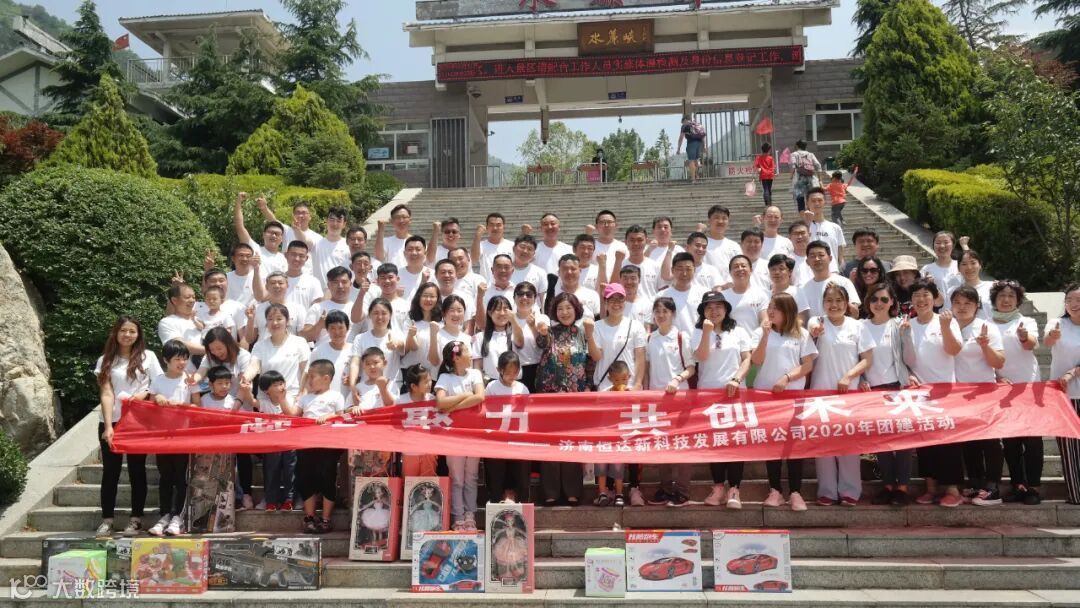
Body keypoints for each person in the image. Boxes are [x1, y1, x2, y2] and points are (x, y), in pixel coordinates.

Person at [808, 284, 874, 507]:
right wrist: (814, 331)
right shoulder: (817, 322)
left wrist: (849, 376)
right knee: (823, 443)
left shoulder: (858, 326)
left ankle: (850, 491)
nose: (834, 305)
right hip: (821, 393)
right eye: (829, 300)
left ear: (847, 304)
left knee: (848, 444)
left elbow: (867, 359)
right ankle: (826, 491)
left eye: (839, 300)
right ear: (823, 303)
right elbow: (811, 331)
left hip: (849, 393)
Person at [901, 279, 965, 508]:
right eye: (916, 295)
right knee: (925, 443)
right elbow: (907, 360)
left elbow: (954, 350)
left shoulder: (947, 320)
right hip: (920, 393)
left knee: (948, 443)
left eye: (926, 294)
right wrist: (906, 337)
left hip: (946, 391)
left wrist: (946, 328)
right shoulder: (907, 324)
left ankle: (952, 490)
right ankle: (930, 489)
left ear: (935, 298)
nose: (921, 299)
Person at [94, 316, 160, 536]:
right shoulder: (105, 360)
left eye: (132, 331)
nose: (127, 335)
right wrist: (108, 426)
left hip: (138, 421)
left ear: (138, 334)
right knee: (110, 472)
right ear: (116, 333)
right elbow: (106, 393)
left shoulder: (148, 356)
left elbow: (158, 384)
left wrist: (144, 393)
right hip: (112, 420)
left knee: (137, 470)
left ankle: (136, 519)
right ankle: (107, 520)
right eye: (123, 330)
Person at [753, 293, 816, 511]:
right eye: (770, 307)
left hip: (793, 396)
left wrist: (787, 378)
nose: (771, 311)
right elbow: (756, 361)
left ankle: (796, 492)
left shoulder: (801, 333)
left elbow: (807, 365)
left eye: (776, 308)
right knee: (772, 444)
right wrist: (764, 336)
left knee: (793, 444)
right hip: (767, 397)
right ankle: (775, 490)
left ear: (787, 311)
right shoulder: (761, 332)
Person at [693, 292, 753, 510]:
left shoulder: (738, 331)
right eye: (709, 307)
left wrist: (737, 379)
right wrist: (706, 333)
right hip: (708, 395)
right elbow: (700, 357)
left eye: (719, 306)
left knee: (735, 441)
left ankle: (734, 489)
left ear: (726, 309)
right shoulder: (698, 332)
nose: (714, 311)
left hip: (734, 393)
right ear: (703, 312)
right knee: (715, 441)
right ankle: (718, 486)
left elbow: (747, 359)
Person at [860, 283, 918, 505]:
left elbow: (910, 359)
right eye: (874, 299)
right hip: (871, 391)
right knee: (880, 442)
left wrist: (907, 336)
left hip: (896, 389)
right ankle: (887, 485)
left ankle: (902, 487)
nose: (879, 303)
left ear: (892, 301)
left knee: (902, 441)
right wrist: (862, 380)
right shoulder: (860, 327)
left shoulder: (899, 324)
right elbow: (855, 359)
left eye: (884, 299)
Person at [990, 280, 1044, 505]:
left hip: (1028, 386)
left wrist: (1023, 336)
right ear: (994, 300)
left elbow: (1031, 345)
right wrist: (996, 377)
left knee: (1032, 440)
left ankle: (1033, 487)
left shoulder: (1026, 321)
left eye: (1011, 296)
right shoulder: (986, 324)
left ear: (1018, 300)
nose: (1006, 300)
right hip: (1003, 388)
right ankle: (1017, 484)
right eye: (1002, 296)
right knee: (1010, 441)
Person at [536, 293, 591, 506]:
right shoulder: (549, 331)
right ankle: (550, 491)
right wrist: (541, 330)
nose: (564, 312)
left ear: (576, 309)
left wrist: (587, 386)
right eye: (560, 309)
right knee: (550, 444)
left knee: (570, 443)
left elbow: (590, 361)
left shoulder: (583, 332)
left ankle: (572, 490)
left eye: (568, 308)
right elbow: (541, 342)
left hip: (575, 398)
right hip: (549, 397)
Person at [282, 359, 345, 534]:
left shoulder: (336, 396)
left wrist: (329, 417)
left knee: (327, 478)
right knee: (306, 479)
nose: (309, 380)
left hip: (328, 445)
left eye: (312, 376)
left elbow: (341, 416)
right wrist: (282, 398)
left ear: (326, 378)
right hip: (307, 444)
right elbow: (293, 415)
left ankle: (326, 519)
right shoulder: (305, 398)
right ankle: (309, 517)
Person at [644, 297, 697, 507]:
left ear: (673, 314)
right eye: (657, 311)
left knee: (682, 444)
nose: (661, 315)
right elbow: (647, 368)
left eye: (665, 311)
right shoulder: (650, 338)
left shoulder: (682, 337)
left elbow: (691, 367)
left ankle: (682, 491)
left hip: (680, 398)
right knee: (661, 443)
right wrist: (646, 393)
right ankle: (665, 488)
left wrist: (677, 379)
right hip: (657, 400)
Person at [434, 341, 486, 530]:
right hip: (453, 435)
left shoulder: (475, 374)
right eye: (466, 352)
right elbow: (440, 403)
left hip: (473, 433)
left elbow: (479, 397)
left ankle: (470, 514)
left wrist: (454, 407)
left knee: (471, 476)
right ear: (456, 357)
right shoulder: (444, 378)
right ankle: (458, 515)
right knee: (456, 477)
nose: (470, 355)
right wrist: (466, 396)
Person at [147, 339, 194, 537]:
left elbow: (197, 406)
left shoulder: (189, 380)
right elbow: (149, 406)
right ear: (166, 360)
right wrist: (157, 399)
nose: (182, 363)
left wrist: (181, 406)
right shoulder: (158, 380)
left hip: (183, 436)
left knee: (181, 477)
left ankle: (178, 517)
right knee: (165, 476)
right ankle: (164, 515)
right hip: (162, 436)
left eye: (185, 359)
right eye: (177, 359)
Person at [1045, 283, 1080, 505]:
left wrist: (1073, 372)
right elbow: (1047, 341)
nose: (1074, 304)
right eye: (1070, 300)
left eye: (1079, 300)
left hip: (1073, 384)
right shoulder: (1057, 323)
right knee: (1068, 448)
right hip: (1063, 395)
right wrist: (1053, 335)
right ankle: (1076, 494)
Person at [484, 352, 532, 504]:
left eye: (515, 372)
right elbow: (486, 411)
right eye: (508, 372)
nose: (512, 376)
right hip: (497, 440)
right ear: (499, 370)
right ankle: (495, 503)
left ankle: (523, 505)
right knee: (496, 475)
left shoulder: (522, 388)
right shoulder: (492, 387)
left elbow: (529, 411)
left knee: (522, 475)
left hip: (518, 439)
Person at [588, 283, 647, 391]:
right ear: (605, 303)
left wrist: (637, 384)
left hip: (629, 387)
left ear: (625, 302)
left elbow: (640, 358)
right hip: (605, 388)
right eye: (612, 300)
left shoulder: (636, 326)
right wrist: (589, 335)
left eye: (620, 300)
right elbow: (596, 357)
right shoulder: (597, 327)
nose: (616, 304)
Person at [253, 371, 296, 512]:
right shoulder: (265, 404)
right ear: (266, 391)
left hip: (290, 442)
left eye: (282, 383)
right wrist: (245, 390)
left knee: (290, 471)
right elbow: (251, 401)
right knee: (271, 471)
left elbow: (291, 414)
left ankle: (289, 500)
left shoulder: (291, 399)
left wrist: (283, 399)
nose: (280, 387)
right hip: (272, 444)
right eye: (276, 385)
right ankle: (271, 501)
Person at [594, 360, 631, 507]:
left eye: (624, 379)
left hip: (621, 436)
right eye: (616, 380)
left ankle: (619, 493)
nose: (620, 383)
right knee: (601, 465)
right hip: (604, 435)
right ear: (610, 379)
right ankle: (602, 493)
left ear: (629, 377)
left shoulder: (632, 394)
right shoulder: (604, 394)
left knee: (618, 465)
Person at [396, 364, 439, 477]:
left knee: (427, 483)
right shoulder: (401, 401)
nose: (430, 383)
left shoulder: (433, 400)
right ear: (414, 386)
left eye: (430, 380)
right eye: (426, 382)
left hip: (429, 451)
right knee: (409, 483)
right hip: (409, 451)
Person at [350, 298, 405, 384]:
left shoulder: (397, 335)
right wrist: (352, 384)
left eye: (384, 313)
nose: (380, 317)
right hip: (367, 386)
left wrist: (397, 344)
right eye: (376, 313)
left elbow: (402, 346)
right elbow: (355, 363)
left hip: (391, 386)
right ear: (369, 315)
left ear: (390, 315)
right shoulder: (360, 338)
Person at [801, 241, 861, 318]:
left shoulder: (844, 282)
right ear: (807, 262)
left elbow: (855, 314)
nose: (817, 259)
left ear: (830, 258)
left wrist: (839, 293)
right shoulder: (805, 289)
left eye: (821, 255)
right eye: (812, 256)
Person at [234, 192, 286, 277]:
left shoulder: (286, 258)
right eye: (270, 232)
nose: (273, 236)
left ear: (282, 238)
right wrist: (238, 202)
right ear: (263, 235)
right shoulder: (255, 249)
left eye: (277, 234)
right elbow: (240, 227)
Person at [473, 296, 524, 382]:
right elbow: (477, 366)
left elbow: (520, 342)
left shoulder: (515, 333)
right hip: (490, 383)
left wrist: (513, 320)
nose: (502, 313)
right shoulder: (480, 337)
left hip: (514, 383)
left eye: (505, 309)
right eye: (498, 309)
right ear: (490, 313)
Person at [309, 311, 354, 404]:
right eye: (332, 328)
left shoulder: (354, 350)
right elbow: (308, 376)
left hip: (349, 403)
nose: (337, 332)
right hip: (324, 404)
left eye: (340, 328)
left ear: (347, 328)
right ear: (327, 329)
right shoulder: (318, 351)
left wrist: (354, 380)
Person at [511, 282, 548, 392]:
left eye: (529, 294)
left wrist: (533, 327)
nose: (524, 297)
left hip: (538, 368)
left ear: (535, 298)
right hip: (515, 369)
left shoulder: (542, 318)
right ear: (514, 297)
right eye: (520, 294)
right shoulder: (509, 319)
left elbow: (545, 345)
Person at [722, 255, 770, 333]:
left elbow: (764, 320)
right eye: (736, 267)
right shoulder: (723, 296)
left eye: (743, 266)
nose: (740, 269)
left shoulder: (761, 295)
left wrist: (757, 338)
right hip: (730, 339)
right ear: (730, 272)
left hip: (755, 339)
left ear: (751, 270)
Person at [802, 188, 845, 272]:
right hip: (809, 272)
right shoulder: (802, 228)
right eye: (813, 201)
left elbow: (840, 255)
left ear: (825, 202)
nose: (817, 203)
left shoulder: (835, 228)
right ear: (807, 203)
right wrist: (807, 225)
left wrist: (841, 265)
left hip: (832, 272)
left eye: (820, 200)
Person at [402, 283, 442, 373]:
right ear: (418, 297)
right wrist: (411, 335)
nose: (428, 299)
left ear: (437, 299)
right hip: (411, 372)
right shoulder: (410, 321)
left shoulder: (442, 323)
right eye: (425, 296)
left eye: (432, 296)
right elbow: (410, 348)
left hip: (432, 373)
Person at [943, 250, 993, 321]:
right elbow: (947, 316)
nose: (969, 267)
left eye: (973, 263)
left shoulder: (992, 287)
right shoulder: (952, 291)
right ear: (958, 268)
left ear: (980, 265)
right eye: (964, 264)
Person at [158, 283, 206, 357]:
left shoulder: (199, 320)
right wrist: (212, 351)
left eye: (193, 297)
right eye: (187, 297)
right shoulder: (167, 322)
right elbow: (180, 344)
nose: (192, 300)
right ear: (174, 300)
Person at [428, 295, 472, 371]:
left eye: (459, 311)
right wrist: (433, 335)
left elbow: (470, 366)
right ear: (443, 313)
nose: (456, 314)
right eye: (451, 310)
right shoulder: (436, 334)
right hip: (441, 377)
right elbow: (434, 362)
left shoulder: (467, 338)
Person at [473, 212, 514, 283]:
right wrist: (477, 236)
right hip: (487, 286)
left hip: (508, 286)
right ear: (487, 227)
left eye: (498, 225)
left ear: (503, 227)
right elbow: (473, 259)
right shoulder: (481, 245)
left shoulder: (512, 245)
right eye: (491, 225)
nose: (495, 228)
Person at [789, 139, 822, 212]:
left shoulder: (794, 154)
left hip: (799, 178)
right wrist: (820, 179)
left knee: (800, 199)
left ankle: (803, 215)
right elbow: (818, 165)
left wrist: (791, 176)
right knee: (810, 197)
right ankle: (811, 213)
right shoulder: (811, 154)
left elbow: (793, 166)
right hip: (811, 178)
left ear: (797, 146)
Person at [677, 115, 706, 183]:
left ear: (685, 120)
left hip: (691, 143)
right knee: (696, 160)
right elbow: (702, 136)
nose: (683, 124)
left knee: (691, 160)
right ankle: (697, 176)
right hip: (699, 143)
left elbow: (681, 138)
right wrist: (704, 146)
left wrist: (678, 148)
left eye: (682, 122)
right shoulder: (697, 124)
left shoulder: (685, 126)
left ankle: (693, 179)